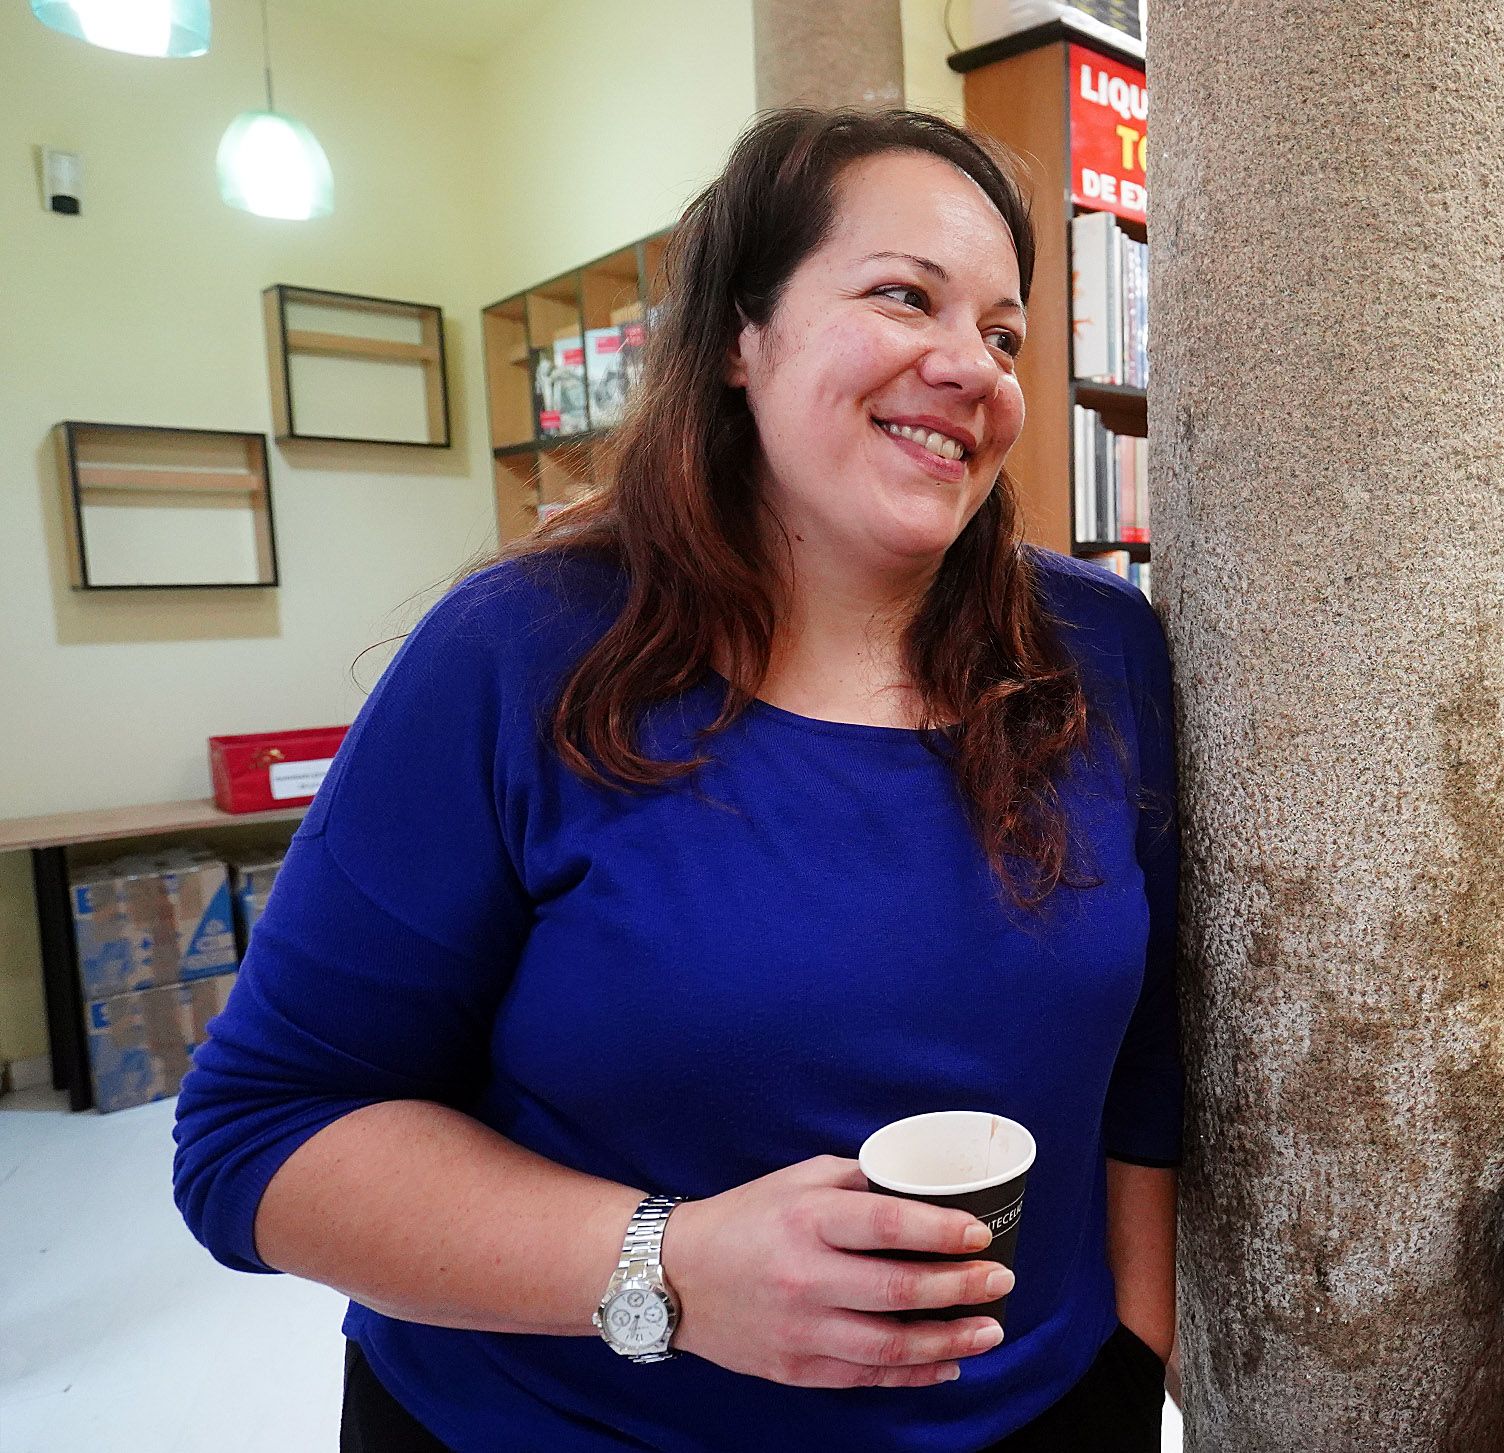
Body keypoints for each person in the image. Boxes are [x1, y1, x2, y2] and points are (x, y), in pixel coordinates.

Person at [172, 109, 1180, 1453]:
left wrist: (1130, 1354)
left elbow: (1145, 1063)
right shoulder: (519, 651)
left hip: (1038, 1413)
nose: (969, 367)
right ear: (735, 342)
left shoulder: (1102, 649)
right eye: (903, 295)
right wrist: (671, 1262)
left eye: (1003, 333)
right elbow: (261, 1134)